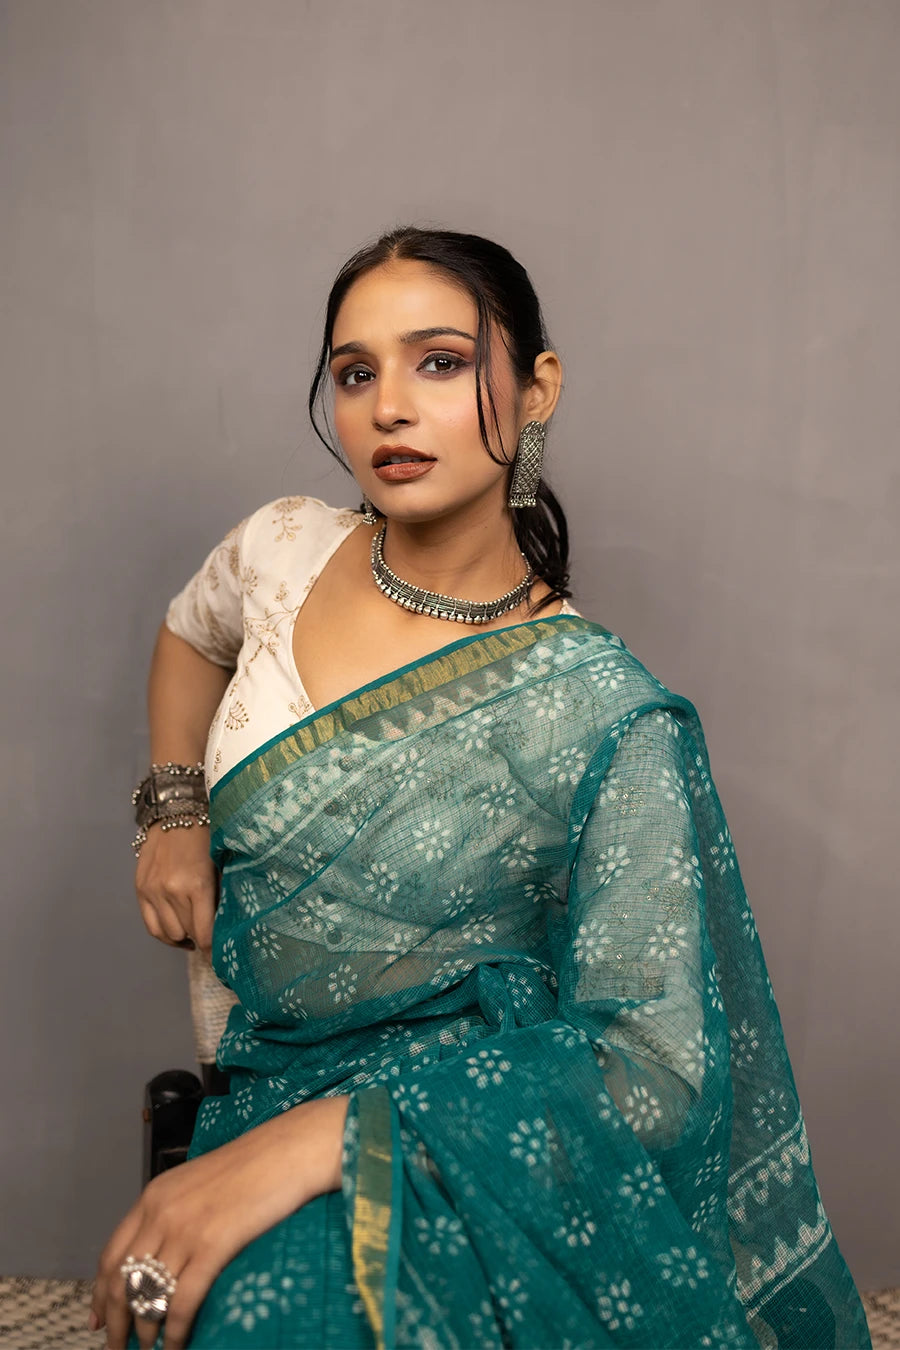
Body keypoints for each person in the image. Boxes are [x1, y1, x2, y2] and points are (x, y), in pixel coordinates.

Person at [92, 226, 871, 1350]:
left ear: (536, 387)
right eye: (356, 373)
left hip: (477, 1124)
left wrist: (333, 1141)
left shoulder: (603, 709)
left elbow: (653, 1073)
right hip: (260, 1077)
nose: (388, 409)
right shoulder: (284, 551)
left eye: (440, 363)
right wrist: (169, 814)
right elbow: (188, 633)